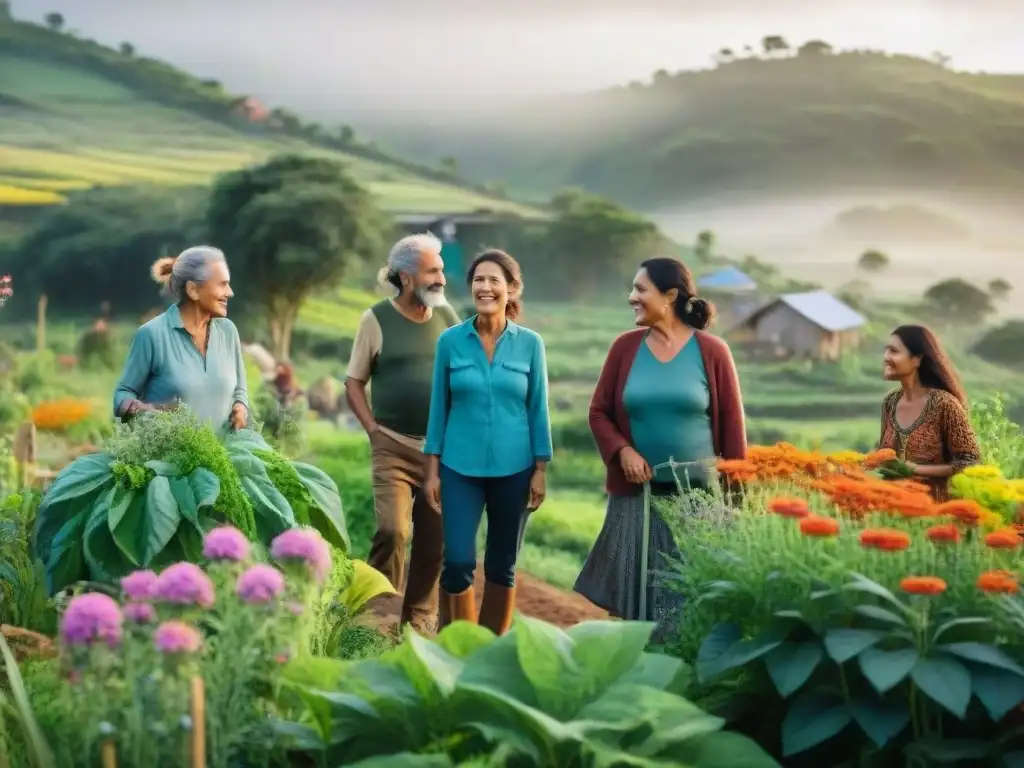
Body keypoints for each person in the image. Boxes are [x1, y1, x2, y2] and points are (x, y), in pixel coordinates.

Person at [575, 257, 746, 624]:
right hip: (636, 499)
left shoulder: (712, 352)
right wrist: (622, 450)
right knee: (632, 601)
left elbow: (733, 436)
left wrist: (737, 508)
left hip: (697, 502)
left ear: (669, 296)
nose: (631, 297)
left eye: (640, 289)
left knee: (688, 602)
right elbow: (599, 412)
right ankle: (634, 672)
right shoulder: (625, 348)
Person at [423, 249, 552, 635]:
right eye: (479, 279)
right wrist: (432, 471)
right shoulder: (451, 342)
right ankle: (458, 647)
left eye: (495, 280)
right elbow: (438, 409)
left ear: (512, 289)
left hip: (515, 468)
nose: (485, 287)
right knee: (459, 560)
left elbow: (537, 407)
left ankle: (491, 650)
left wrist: (540, 469)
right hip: (459, 467)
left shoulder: (531, 344)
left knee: (502, 562)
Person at [345, 233, 460, 634]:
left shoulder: (447, 316)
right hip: (392, 447)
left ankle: (418, 621)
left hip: (440, 452)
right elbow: (354, 382)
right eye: (433, 271)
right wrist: (374, 431)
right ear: (406, 278)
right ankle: (377, 616)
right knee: (393, 531)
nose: (441, 279)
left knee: (435, 541)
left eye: (442, 270)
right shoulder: (375, 319)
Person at [114, 246, 248, 429]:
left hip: (222, 454)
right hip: (169, 453)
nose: (230, 292)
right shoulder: (152, 335)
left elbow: (240, 390)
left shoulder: (228, 331)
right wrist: (142, 410)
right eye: (222, 284)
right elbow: (123, 393)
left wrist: (240, 408)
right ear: (193, 290)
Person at [878, 324, 980, 500]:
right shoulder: (890, 402)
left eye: (894, 351)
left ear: (917, 359)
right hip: (893, 508)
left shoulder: (945, 404)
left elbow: (970, 462)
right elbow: (885, 454)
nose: (886, 357)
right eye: (886, 350)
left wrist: (915, 470)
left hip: (936, 512)